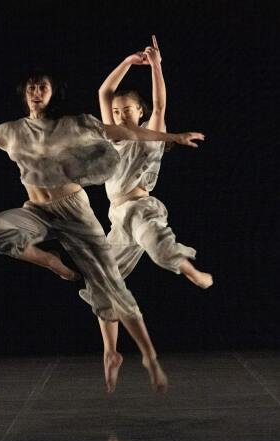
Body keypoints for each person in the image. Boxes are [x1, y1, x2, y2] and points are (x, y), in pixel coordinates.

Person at [0, 70, 204, 393]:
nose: (36, 91)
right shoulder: (11, 131)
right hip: (38, 213)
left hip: (74, 213)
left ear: (54, 92)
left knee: (110, 283)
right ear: (24, 93)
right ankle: (52, 261)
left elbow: (130, 130)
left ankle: (146, 358)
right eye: (31, 86)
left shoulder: (72, 125)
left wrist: (174, 137)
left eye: (43, 86)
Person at [79, 37, 214, 386]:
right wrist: (127, 60)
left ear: (139, 113)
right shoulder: (114, 137)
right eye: (118, 112)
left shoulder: (154, 135)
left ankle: (189, 269)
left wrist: (156, 66)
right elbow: (104, 92)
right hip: (117, 220)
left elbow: (159, 103)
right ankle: (112, 351)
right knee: (101, 281)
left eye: (129, 110)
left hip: (141, 208)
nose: (122, 114)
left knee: (155, 241)